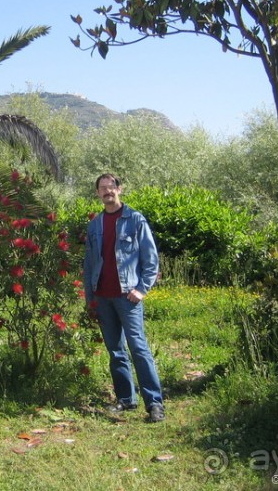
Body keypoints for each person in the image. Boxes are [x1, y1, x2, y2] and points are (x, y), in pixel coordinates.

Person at [83, 173, 165, 423]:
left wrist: (141, 289)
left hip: (127, 298)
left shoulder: (135, 220)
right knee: (116, 351)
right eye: (102, 188)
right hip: (103, 297)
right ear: (97, 193)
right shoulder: (95, 225)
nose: (107, 191)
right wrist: (90, 300)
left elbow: (151, 261)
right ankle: (126, 399)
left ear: (120, 189)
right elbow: (89, 265)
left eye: (111, 187)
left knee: (138, 348)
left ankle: (154, 403)